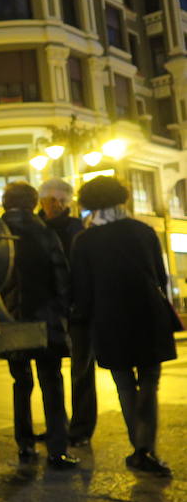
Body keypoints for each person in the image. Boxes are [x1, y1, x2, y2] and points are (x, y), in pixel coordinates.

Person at [70, 175, 178, 478]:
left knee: (124, 384)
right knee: (149, 382)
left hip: (110, 320)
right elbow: (161, 276)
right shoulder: (143, 231)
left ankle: (139, 448)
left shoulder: (85, 240)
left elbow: (83, 290)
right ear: (122, 198)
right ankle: (146, 447)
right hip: (148, 316)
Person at [0, 182, 78, 470]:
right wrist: (62, 312)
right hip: (46, 321)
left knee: (21, 383)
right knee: (52, 384)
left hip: (9, 321)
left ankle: (25, 445)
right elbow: (62, 277)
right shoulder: (45, 232)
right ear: (33, 203)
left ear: (5, 203)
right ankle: (57, 449)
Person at [37, 178, 93, 446]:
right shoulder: (36, 227)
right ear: (42, 201)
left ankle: (81, 428)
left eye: (62, 199)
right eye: (52, 199)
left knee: (81, 370)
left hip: (77, 309)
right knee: (51, 373)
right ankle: (57, 426)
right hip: (48, 308)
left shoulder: (77, 229)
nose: (57, 204)